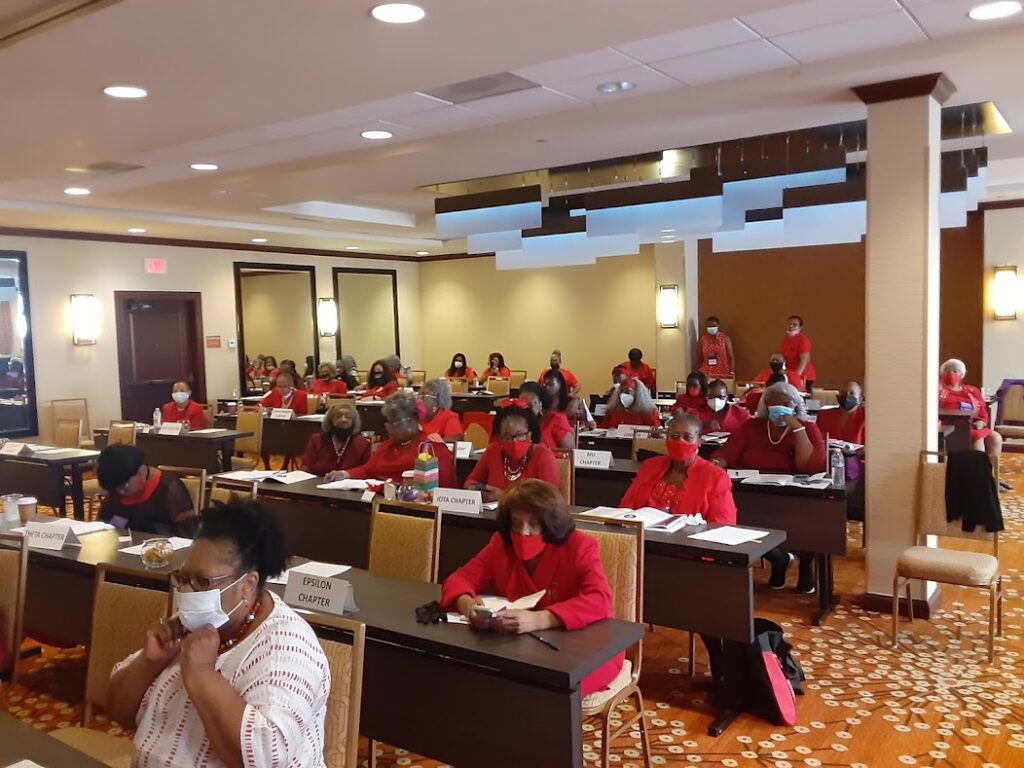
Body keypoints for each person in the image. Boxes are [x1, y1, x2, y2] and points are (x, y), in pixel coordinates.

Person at [105, 501, 330, 767]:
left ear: (247, 585)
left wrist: (201, 674)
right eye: (184, 577)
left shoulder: (286, 648)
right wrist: (149, 663)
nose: (187, 592)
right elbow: (117, 711)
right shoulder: (192, 625)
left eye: (202, 581)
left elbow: (264, 759)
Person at [441, 480, 623, 696]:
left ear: (549, 524)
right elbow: (459, 579)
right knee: (478, 679)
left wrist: (542, 619)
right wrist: (469, 607)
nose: (523, 532)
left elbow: (599, 599)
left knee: (541, 692)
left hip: (584, 644)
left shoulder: (580, 546)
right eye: (516, 524)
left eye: (533, 524)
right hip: (522, 645)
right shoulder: (502, 543)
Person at [712, 382, 826, 593]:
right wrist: (719, 462)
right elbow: (727, 453)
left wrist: (798, 429)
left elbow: (810, 466)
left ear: (795, 405)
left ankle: (806, 562)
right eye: (773, 405)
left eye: (785, 404)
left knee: (808, 522)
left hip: (794, 496)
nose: (779, 409)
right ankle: (778, 558)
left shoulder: (808, 427)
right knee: (739, 519)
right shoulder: (752, 427)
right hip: (754, 492)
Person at [620, 413, 737, 524]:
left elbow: (723, 524)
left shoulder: (716, 477)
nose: (680, 441)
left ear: (699, 441)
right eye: (674, 436)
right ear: (666, 439)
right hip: (641, 538)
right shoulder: (650, 466)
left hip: (689, 543)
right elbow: (625, 508)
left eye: (688, 437)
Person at [334, 391, 455, 485]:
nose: (389, 428)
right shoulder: (386, 446)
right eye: (388, 423)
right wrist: (346, 474)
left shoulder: (430, 447)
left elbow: (441, 487)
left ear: (411, 422)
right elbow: (368, 470)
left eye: (394, 424)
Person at [465, 399, 558, 502]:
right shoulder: (493, 450)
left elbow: (550, 499)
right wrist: (478, 489)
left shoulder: (542, 455)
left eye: (520, 435)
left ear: (530, 435)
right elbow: (470, 482)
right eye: (508, 437)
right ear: (500, 437)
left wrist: (505, 497)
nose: (515, 441)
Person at [96, 444, 197, 536]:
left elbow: (187, 535)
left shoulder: (169, 488)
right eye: (115, 488)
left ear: (140, 474)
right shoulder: (117, 485)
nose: (120, 492)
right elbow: (106, 523)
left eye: (124, 486)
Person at [938, 358, 1003, 464]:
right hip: (950, 426)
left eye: (955, 371)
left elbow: (983, 413)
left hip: (973, 426)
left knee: (995, 438)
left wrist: (981, 423)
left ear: (962, 375)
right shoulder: (938, 390)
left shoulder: (972, 391)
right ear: (942, 374)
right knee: (978, 438)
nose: (951, 373)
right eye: (947, 371)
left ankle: (991, 474)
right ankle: (978, 475)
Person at [815, 379, 865, 485]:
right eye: (843, 393)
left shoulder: (866, 418)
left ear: (860, 399)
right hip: (827, 469)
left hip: (856, 472)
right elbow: (816, 442)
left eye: (852, 393)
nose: (847, 396)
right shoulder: (824, 415)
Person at [301, 402, 372, 476]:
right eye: (338, 417)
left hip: (349, 485)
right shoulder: (317, 440)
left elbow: (366, 471)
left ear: (354, 421)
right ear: (330, 420)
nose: (343, 420)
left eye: (348, 417)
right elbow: (306, 467)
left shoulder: (363, 444)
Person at [520, 381, 574, 452]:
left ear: (540, 404)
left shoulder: (556, 420)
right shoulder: (516, 424)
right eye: (522, 404)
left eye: (532, 404)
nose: (526, 408)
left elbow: (570, 453)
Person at [781, 315, 816, 393]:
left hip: (803, 376)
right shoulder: (785, 340)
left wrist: (796, 376)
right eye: (789, 324)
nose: (791, 326)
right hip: (790, 376)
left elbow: (804, 360)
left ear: (800, 328)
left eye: (794, 324)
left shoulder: (803, 340)